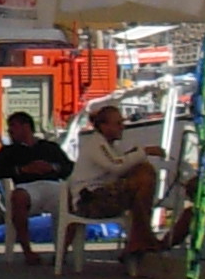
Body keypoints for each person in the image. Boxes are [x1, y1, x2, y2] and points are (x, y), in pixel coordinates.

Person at [69, 100, 165, 258]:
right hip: (90, 200)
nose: (122, 127)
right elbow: (116, 166)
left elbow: (121, 164)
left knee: (143, 173)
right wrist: (144, 152)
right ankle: (141, 238)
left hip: (100, 195)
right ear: (104, 126)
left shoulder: (109, 146)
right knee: (144, 177)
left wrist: (137, 157)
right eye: (118, 123)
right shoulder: (96, 144)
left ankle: (140, 239)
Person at [0, 109, 73, 267]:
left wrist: (52, 167)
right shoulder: (9, 151)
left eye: (13, 126)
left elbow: (69, 167)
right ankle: (28, 251)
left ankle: (61, 252)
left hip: (53, 185)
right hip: (27, 187)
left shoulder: (49, 147)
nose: (10, 131)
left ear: (26, 127)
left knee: (72, 200)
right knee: (18, 197)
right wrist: (23, 169)